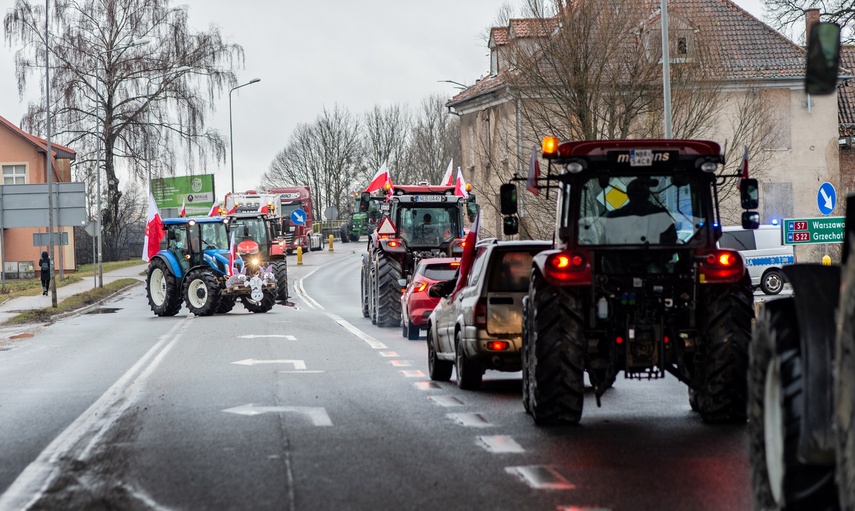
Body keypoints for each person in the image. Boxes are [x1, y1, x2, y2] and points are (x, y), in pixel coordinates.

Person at [605, 178, 677, 244]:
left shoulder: (615, 216)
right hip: (657, 257)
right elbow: (671, 243)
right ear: (648, 194)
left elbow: (607, 244)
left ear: (628, 194)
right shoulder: (661, 215)